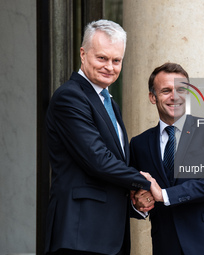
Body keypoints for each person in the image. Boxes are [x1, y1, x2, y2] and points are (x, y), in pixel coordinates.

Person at [44, 20, 153, 255]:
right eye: (102, 58)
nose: (110, 67)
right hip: (80, 235)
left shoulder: (109, 102)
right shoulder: (70, 97)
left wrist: (135, 195)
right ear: (83, 54)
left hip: (107, 236)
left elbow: (115, 163)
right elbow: (98, 159)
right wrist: (145, 183)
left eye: (116, 60)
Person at [129, 62, 204, 255]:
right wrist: (139, 205)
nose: (174, 96)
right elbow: (135, 196)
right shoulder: (139, 144)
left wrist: (164, 195)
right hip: (167, 245)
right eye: (166, 90)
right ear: (152, 97)